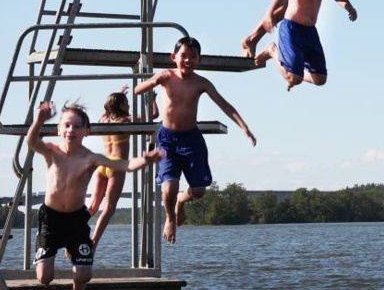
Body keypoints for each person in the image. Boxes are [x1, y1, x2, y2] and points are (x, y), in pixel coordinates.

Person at [26, 100, 163, 290]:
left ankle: (77, 281)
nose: (71, 130)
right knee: (44, 277)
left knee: (84, 275)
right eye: (66, 125)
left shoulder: (90, 158)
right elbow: (32, 141)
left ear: (86, 131)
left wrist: (144, 160)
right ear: (59, 129)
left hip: (76, 220)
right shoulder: (52, 153)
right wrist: (40, 119)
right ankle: (56, 253)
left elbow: (125, 165)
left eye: (77, 126)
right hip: (51, 219)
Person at [134, 36, 257, 244]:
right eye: (184, 56)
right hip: (167, 138)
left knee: (199, 191)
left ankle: (180, 202)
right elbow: (138, 91)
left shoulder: (201, 83)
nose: (188, 60)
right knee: (169, 186)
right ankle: (170, 219)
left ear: (199, 60)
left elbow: (224, 104)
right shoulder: (165, 77)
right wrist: (154, 80)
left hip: (191, 139)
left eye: (193, 57)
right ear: (174, 57)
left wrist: (244, 127)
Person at [254, 0, 357, 91]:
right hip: (292, 29)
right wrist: (270, 13)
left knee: (320, 79)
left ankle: (296, 74)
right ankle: (272, 51)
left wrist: (348, 6)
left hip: (310, 32)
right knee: (294, 79)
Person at [86, 85, 158, 248]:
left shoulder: (104, 119)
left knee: (92, 206)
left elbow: (107, 107)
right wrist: (152, 100)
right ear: (120, 106)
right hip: (116, 166)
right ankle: (94, 242)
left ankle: (71, 231)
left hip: (102, 164)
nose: (129, 105)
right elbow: (153, 115)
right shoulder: (125, 120)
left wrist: (118, 93)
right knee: (109, 208)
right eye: (126, 102)